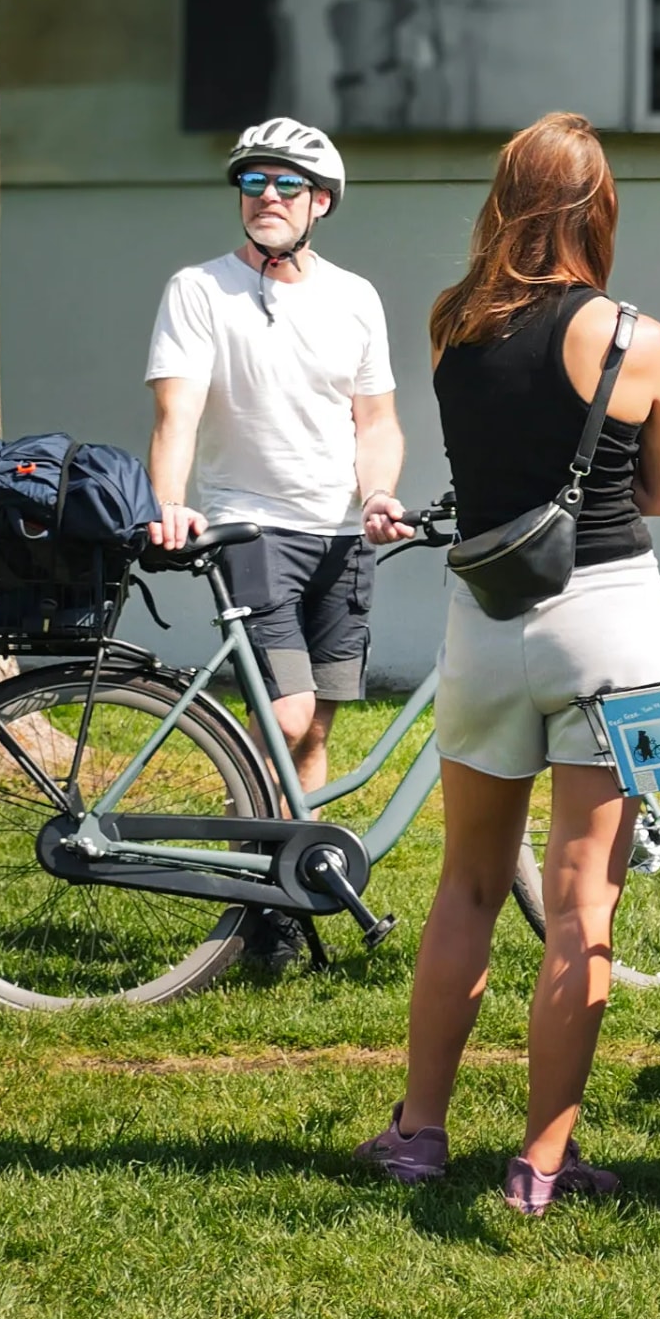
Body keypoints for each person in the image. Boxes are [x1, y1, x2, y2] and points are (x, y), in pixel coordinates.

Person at [368, 112, 660, 1213]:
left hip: (486, 618)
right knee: (579, 905)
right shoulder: (630, 337)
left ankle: (420, 1130)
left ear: (503, 199)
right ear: (598, 203)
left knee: (464, 883)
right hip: (604, 615)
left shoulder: (450, 325)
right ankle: (542, 1160)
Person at [146, 120, 415, 857]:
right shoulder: (201, 290)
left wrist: (379, 495)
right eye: (253, 180)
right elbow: (177, 413)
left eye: (287, 182)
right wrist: (170, 502)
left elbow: (377, 422)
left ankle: (289, 886)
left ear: (320, 201)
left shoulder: (356, 298)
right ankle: (257, 897)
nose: (267, 194)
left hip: (341, 537)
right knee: (286, 714)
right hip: (251, 529)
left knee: (317, 722)